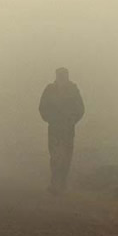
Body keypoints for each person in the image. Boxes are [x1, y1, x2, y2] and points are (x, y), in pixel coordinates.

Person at [38, 67, 85, 195]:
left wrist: (72, 120)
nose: (62, 78)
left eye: (63, 75)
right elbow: (43, 107)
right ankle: (55, 182)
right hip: (54, 127)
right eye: (60, 75)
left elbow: (80, 109)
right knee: (54, 155)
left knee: (66, 156)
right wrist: (49, 119)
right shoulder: (50, 90)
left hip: (68, 128)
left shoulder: (73, 90)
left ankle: (62, 182)